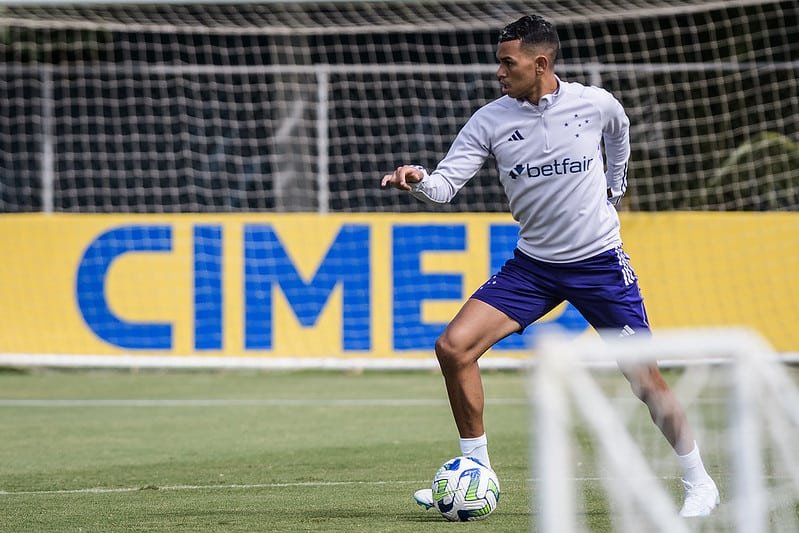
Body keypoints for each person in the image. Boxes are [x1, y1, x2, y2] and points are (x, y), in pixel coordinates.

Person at [381, 14, 719, 518]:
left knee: (644, 377)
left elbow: (620, 133)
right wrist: (418, 179)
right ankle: (477, 471)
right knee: (453, 347)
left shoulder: (595, 104)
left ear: (540, 63)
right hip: (534, 267)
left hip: (599, 265)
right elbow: (446, 186)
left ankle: (700, 483)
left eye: (507, 62)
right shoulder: (489, 120)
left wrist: (615, 188)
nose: (499, 71)